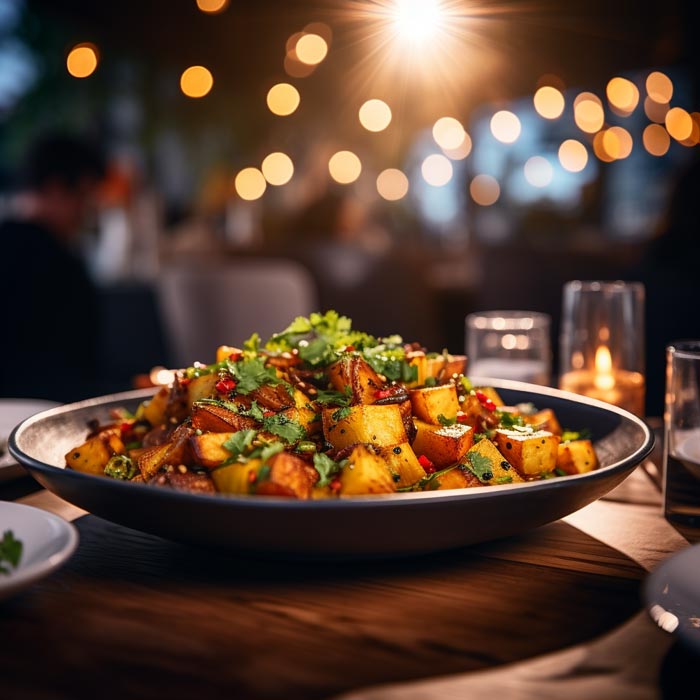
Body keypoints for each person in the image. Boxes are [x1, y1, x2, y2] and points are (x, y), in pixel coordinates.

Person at [0, 131, 107, 402]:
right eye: (85, 196)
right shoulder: (59, 265)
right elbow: (76, 369)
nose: (88, 210)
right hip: (49, 415)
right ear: (56, 188)